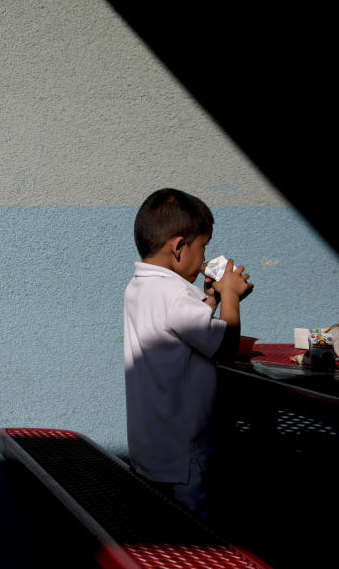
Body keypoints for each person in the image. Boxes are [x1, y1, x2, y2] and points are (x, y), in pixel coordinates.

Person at [123, 188, 253, 519]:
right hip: (184, 455)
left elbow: (183, 326)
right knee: (192, 536)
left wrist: (211, 301)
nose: (204, 257)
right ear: (179, 247)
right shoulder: (173, 294)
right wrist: (231, 297)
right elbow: (224, 347)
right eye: (202, 247)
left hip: (152, 448)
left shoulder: (140, 286)